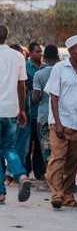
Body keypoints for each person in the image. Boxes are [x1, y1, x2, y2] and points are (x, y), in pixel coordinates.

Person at [44, 35, 77, 209]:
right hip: (60, 122)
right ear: (70, 51)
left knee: (73, 162)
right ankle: (57, 194)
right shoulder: (59, 68)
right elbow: (53, 97)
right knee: (58, 159)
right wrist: (58, 122)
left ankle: (68, 195)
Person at [0, 25, 31, 204]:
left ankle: (2, 192)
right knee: (9, 148)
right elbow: (22, 86)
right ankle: (21, 176)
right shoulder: (18, 56)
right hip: (11, 110)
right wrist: (21, 109)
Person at [32, 45, 60, 165]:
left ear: (44, 57)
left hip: (44, 117)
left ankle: (50, 176)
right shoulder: (62, 72)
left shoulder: (39, 74)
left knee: (47, 148)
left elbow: (35, 98)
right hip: (59, 117)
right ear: (58, 57)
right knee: (59, 148)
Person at [22, 42, 45, 180]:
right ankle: (25, 171)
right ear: (30, 53)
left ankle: (39, 172)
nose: (40, 54)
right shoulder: (26, 67)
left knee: (39, 144)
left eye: (40, 51)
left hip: (40, 111)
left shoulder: (44, 67)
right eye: (37, 51)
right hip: (28, 110)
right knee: (27, 144)